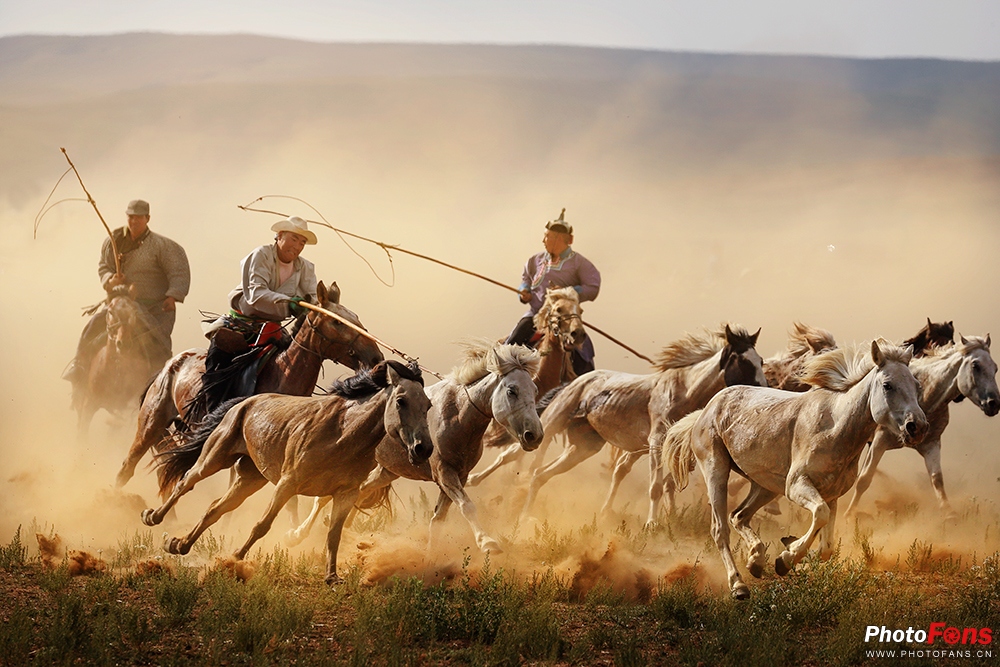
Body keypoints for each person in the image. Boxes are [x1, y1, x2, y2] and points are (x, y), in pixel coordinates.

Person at [197, 216, 319, 414]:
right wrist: (290, 303)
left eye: (302, 242)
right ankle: (211, 421)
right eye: (294, 239)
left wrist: (311, 306)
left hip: (273, 329)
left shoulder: (306, 268)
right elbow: (256, 293)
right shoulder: (261, 255)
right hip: (240, 324)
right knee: (218, 366)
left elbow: (312, 299)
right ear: (279, 236)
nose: (297, 246)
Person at [64, 199, 190, 385]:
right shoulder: (113, 241)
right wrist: (110, 280)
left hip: (155, 307)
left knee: (160, 344)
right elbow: (104, 266)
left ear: (147, 218)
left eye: (138, 218)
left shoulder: (164, 246)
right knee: (92, 327)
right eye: (131, 217)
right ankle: (79, 368)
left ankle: (163, 383)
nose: (134, 221)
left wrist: (173, 295)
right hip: (120, 303)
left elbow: (178, 270)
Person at [505, 209, 601, 375]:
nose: (543, 240)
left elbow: (592, 286)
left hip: (566, 316)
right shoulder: (534, 260)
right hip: (537, 315)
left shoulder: (579, 263)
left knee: (584, 356)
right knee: (510, 346)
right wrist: (524, 291)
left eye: (547, 236)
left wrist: (567, 292)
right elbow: (525, 279)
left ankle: (585, 388)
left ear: (559, 239)